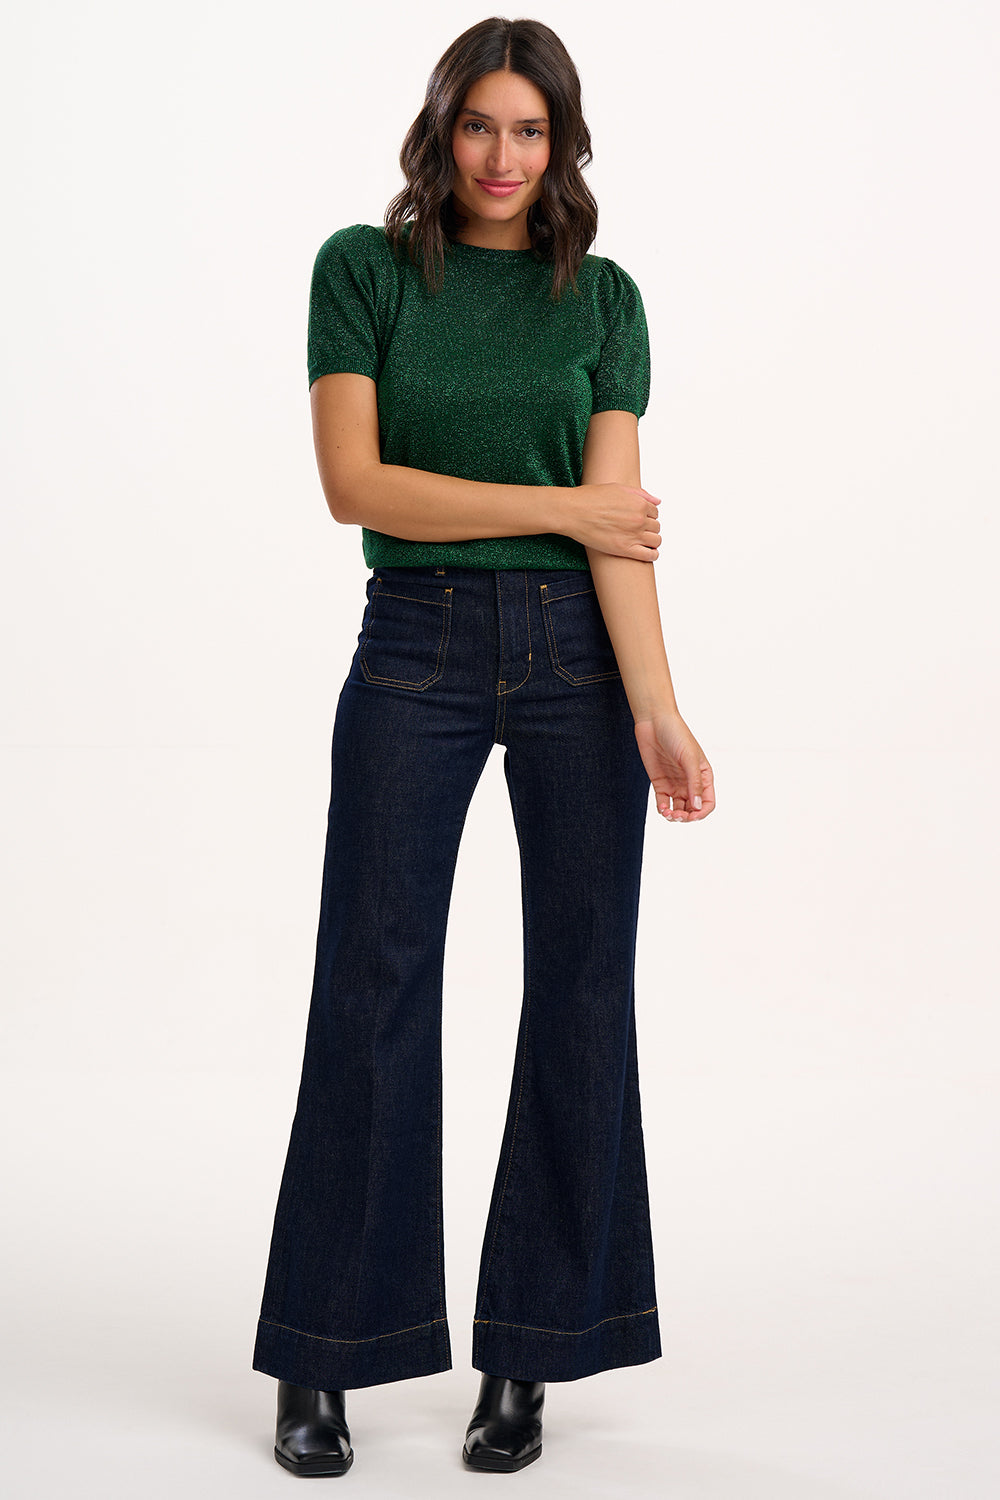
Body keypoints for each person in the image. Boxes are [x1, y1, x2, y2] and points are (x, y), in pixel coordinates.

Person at [252, 14, 715, 1477]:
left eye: (530, 130)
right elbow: (354, 484)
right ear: (439, 131)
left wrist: (656, 704)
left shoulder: (606, 299)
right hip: (417, 649)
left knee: (583, 992)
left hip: (583, 662)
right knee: (370, 983)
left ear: (561, 142)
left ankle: (530, 1357)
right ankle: (324, 1358)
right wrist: (570, 513)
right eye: (478, 126)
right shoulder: (365, 271)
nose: (503, 157)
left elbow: (623, 535)